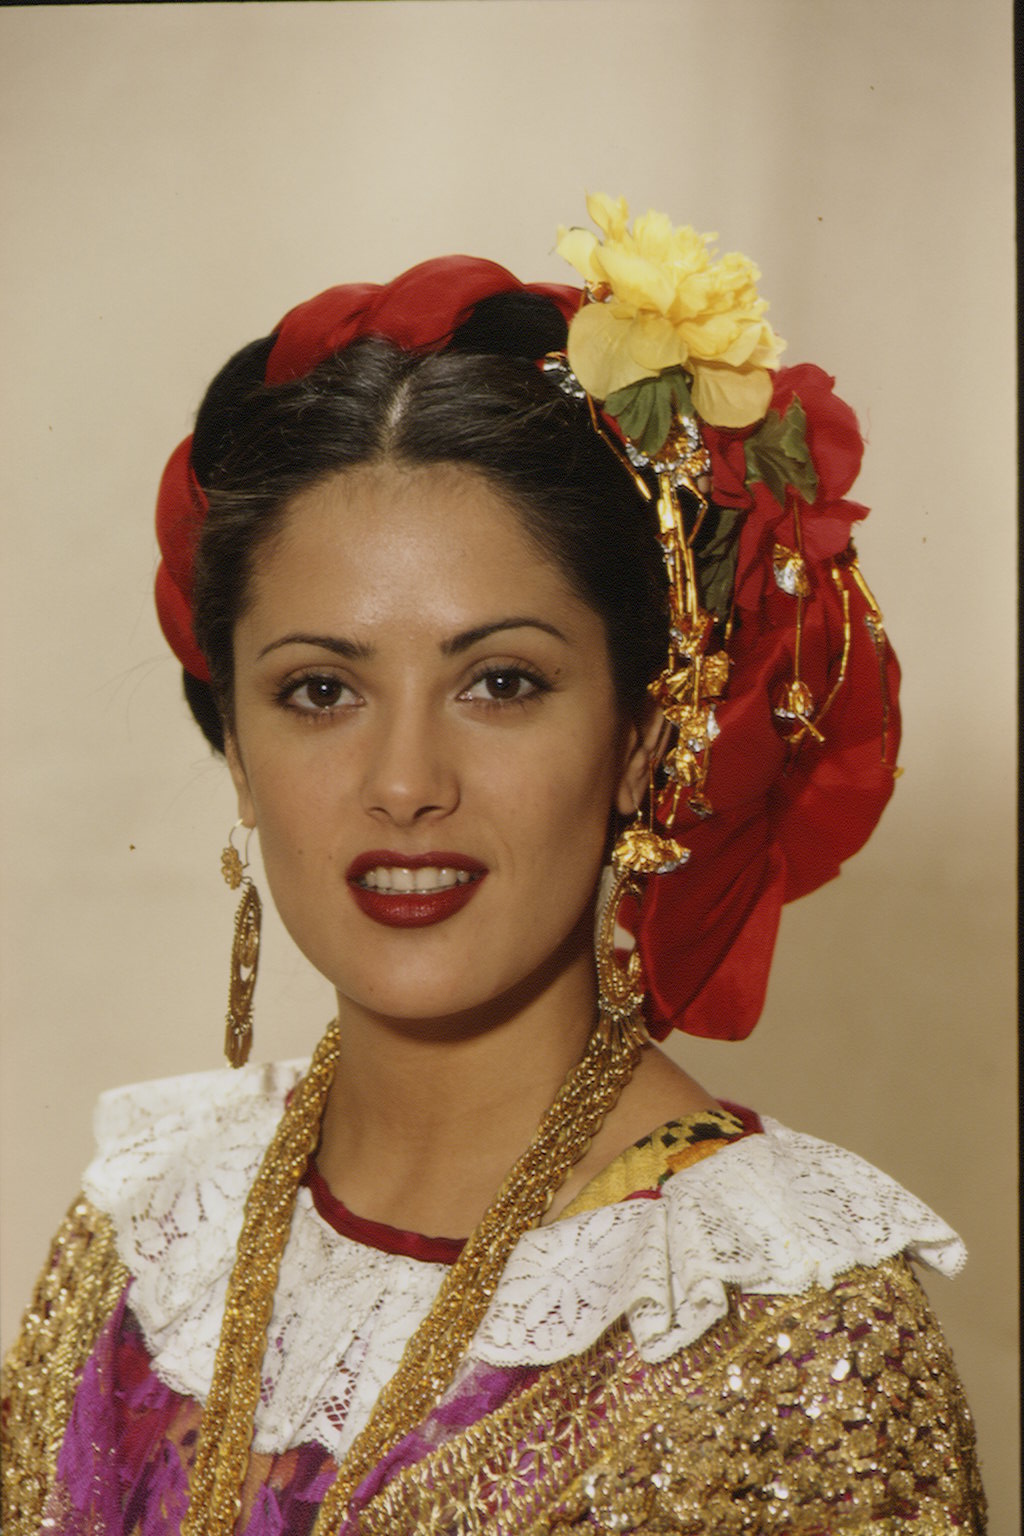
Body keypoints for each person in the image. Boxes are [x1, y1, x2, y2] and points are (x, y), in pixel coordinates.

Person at [1, 197, 986, 1534]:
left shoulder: (784, 1323)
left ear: (642, 739)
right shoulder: (144, 1232)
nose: (405, 784)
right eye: (318, 693)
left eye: (502, 682)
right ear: (233, 744)